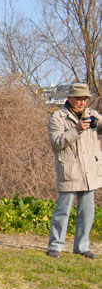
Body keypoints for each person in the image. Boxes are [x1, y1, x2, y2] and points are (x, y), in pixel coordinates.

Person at [47, 82, 102, 259]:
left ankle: (82, 246)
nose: (82, 102)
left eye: (85, 99)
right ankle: (55, 246)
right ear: (70, 98)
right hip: (69, 170)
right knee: (62, 212)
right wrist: (77, 129)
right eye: (78, 98)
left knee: (87, 213)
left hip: (89, 171)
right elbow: (57, 143)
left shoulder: (93, 115)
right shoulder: (57, 117)